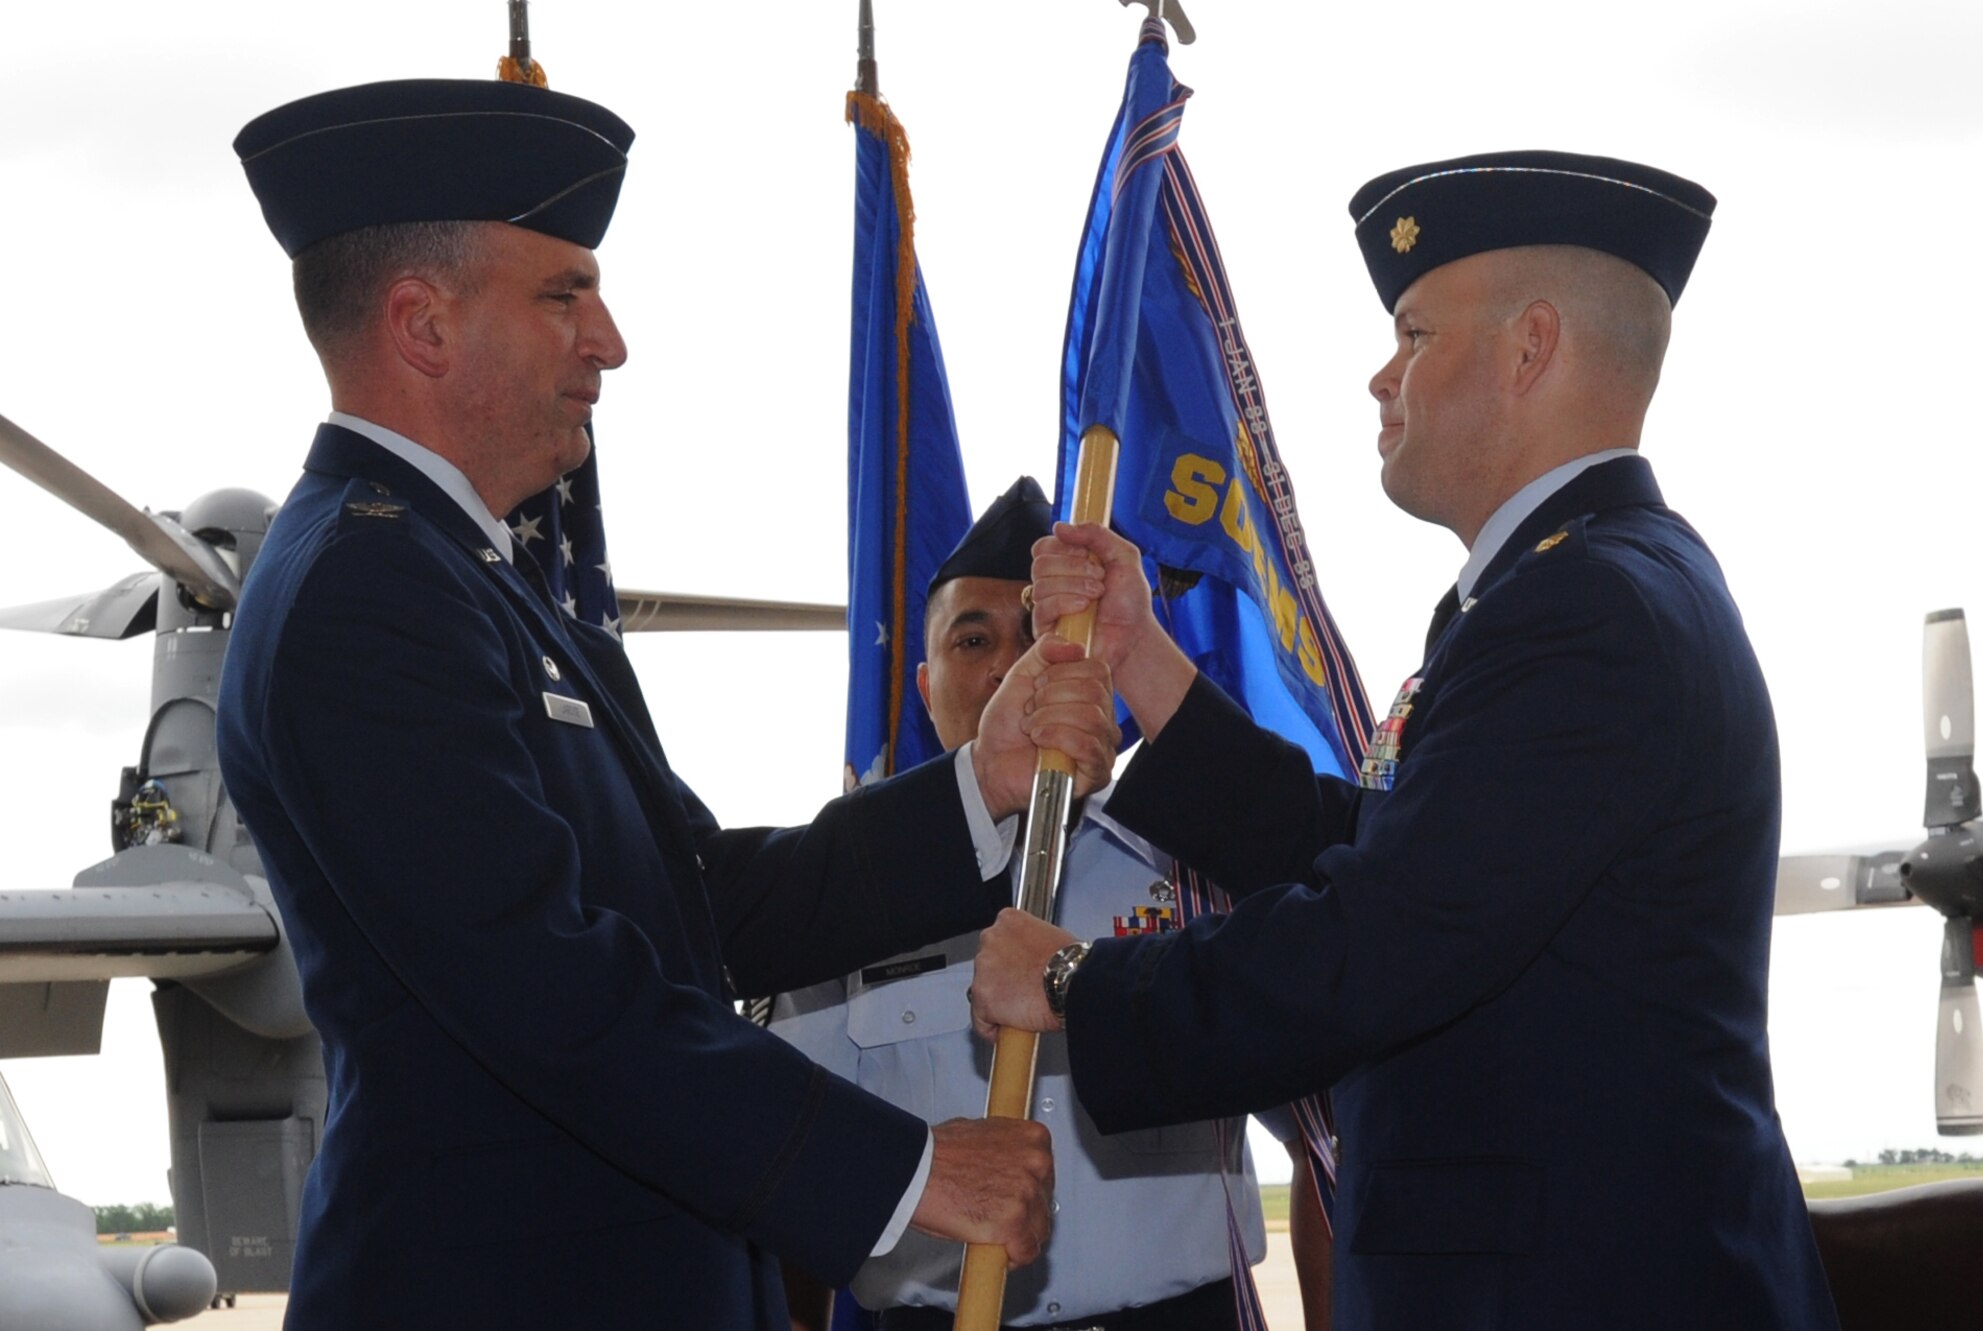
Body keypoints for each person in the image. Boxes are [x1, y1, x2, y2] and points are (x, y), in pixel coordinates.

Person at [215, 78, 1117, 1331]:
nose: (608, 339)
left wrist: (984, 783)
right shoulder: (361, 592)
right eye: (561, 294)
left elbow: (694, 904)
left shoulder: (470, 578)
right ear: (421, 324)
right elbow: (542, 984)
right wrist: (907, 1168)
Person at [970, 150, 1843, 1329]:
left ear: (1530, 348)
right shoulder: (1581, 586)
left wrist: (1078, 983)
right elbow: (1392, 856)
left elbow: (1384, 935)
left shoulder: (1582, 610)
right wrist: (1143, 660)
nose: (1380, 379)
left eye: (1415, 333)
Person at [771, 479, 1283, 1331]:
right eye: (975, 639)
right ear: (926, 686)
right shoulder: (846, 897)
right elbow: (795, 1172)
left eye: (1043, 632)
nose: (1011, 663)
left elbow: (1321, 1126)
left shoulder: (1196, 868)